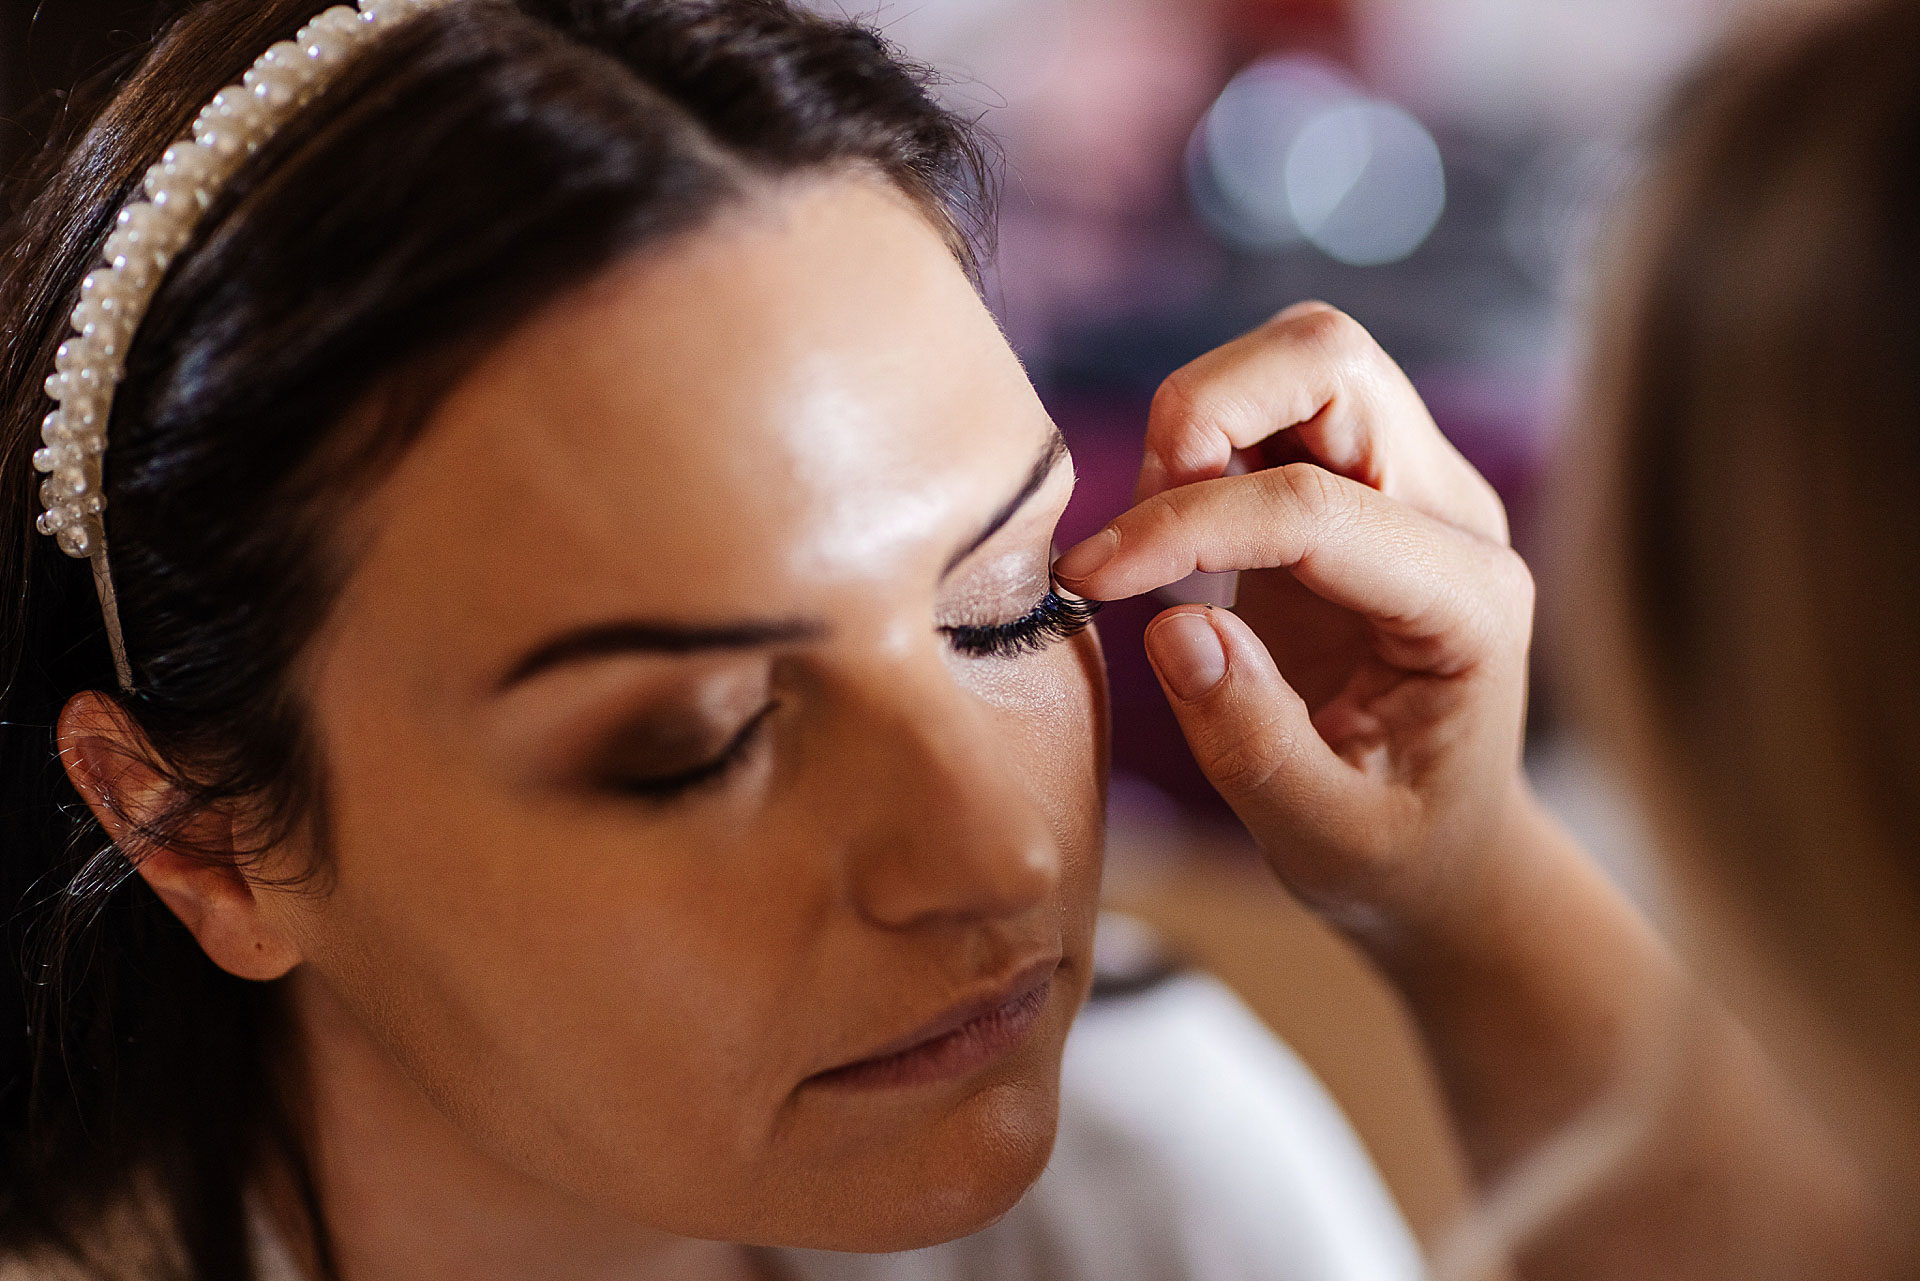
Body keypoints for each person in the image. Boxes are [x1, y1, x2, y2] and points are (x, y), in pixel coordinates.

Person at [0, 2, 1427, 1279]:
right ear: (196, 832)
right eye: (696, 738)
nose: (1006, 860)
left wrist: (1476, 898)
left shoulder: (1158, 1168)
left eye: (1007, 605)